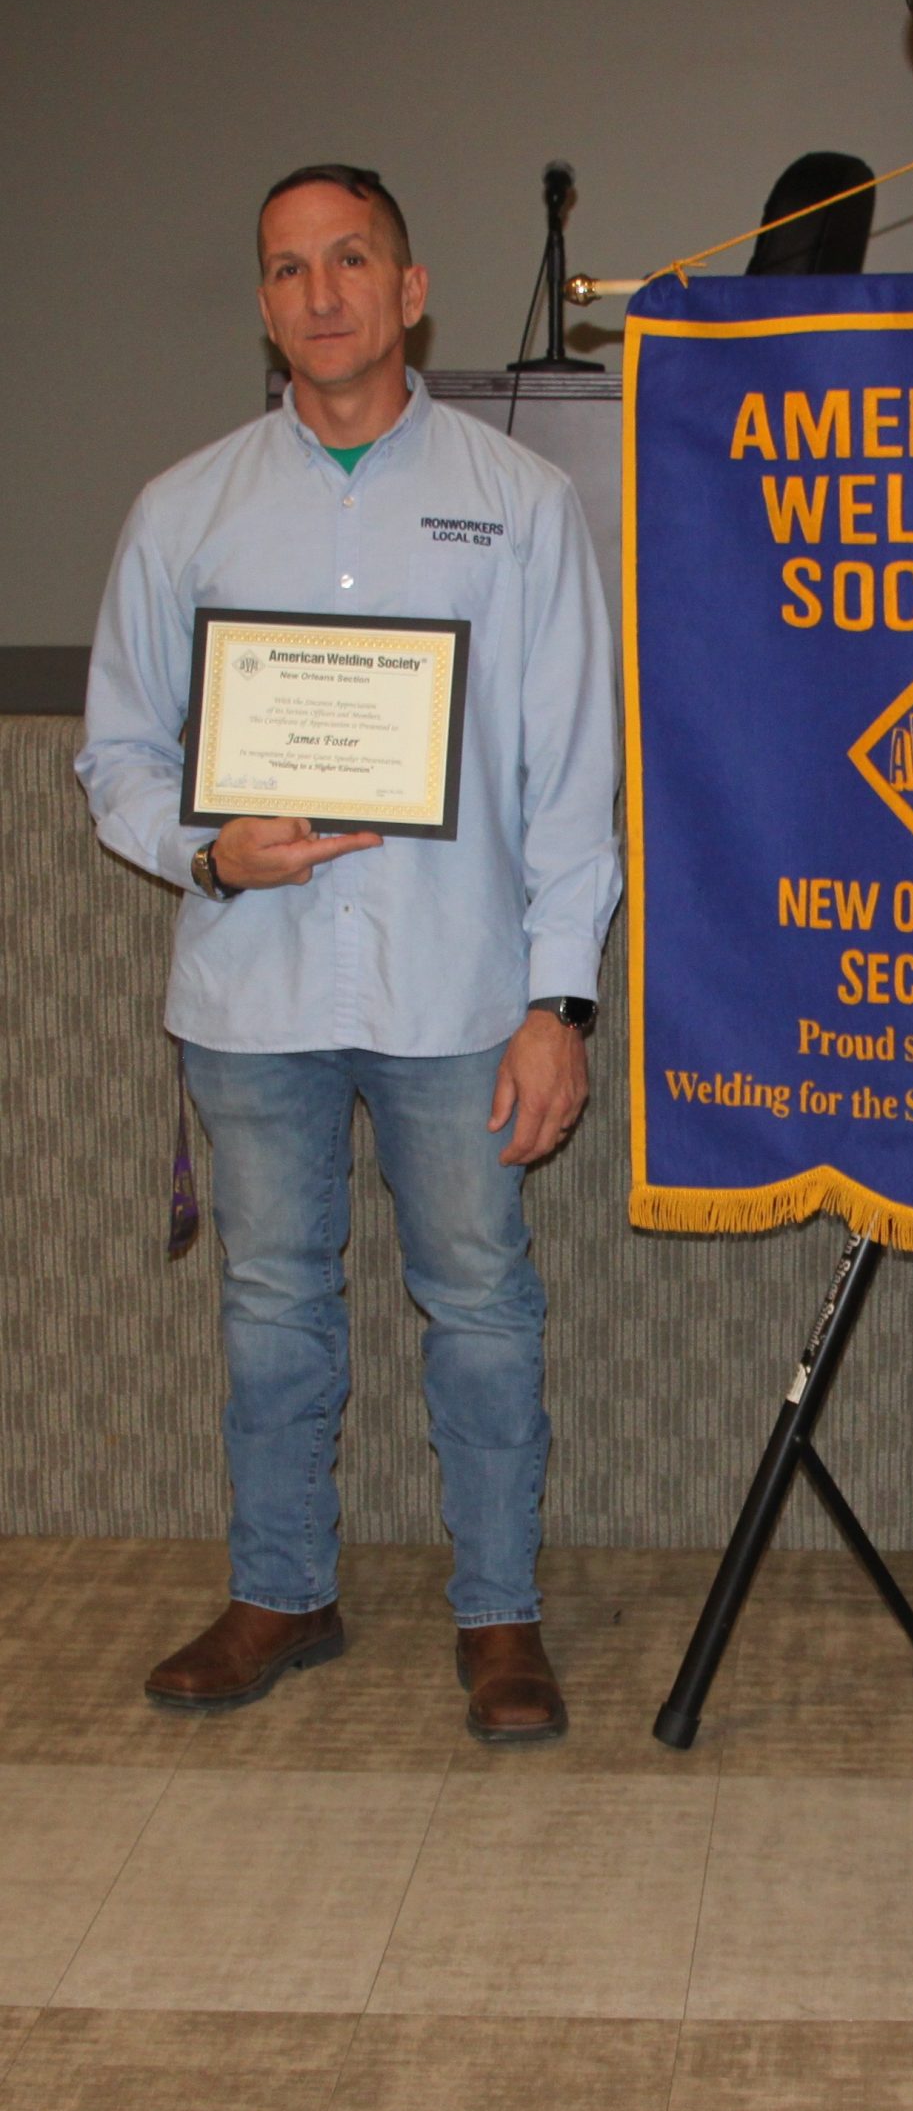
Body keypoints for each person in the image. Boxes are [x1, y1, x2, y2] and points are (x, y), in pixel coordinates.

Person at [76, 164, 620, 1743]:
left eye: (351, 261)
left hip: (462, 991)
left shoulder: (518, 503)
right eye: (289, 269)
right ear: (265, 305)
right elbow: (118, 754)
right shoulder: (185, 510)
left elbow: (573, 778)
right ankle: (280, 1589)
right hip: (253, 987)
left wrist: (560, 1001)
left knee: (483, 1305)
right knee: (268, 1305)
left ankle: (499, 1613)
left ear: (410, 289)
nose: (321, 293)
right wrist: (207, 847)